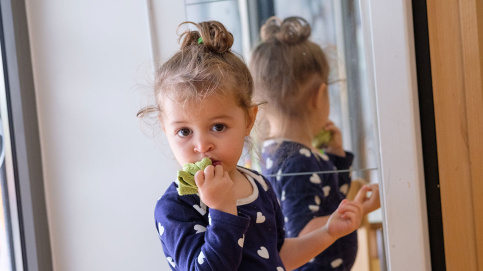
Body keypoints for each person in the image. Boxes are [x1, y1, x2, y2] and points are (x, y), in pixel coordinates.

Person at [139, 20, 368, 271]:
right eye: (184, 131)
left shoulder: (259, 185)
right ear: (165, 128)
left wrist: (328, 232)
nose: (202, 146)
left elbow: (280, 257)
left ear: (249, 119)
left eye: (218, 127)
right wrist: (222, 211)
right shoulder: (175, 207)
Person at [250, 16, 380, 270]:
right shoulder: (298, 161)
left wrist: (335, 157)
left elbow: (324, 200)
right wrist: (359, 210)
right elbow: (303, 228)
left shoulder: (278, 153)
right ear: (319, 96)